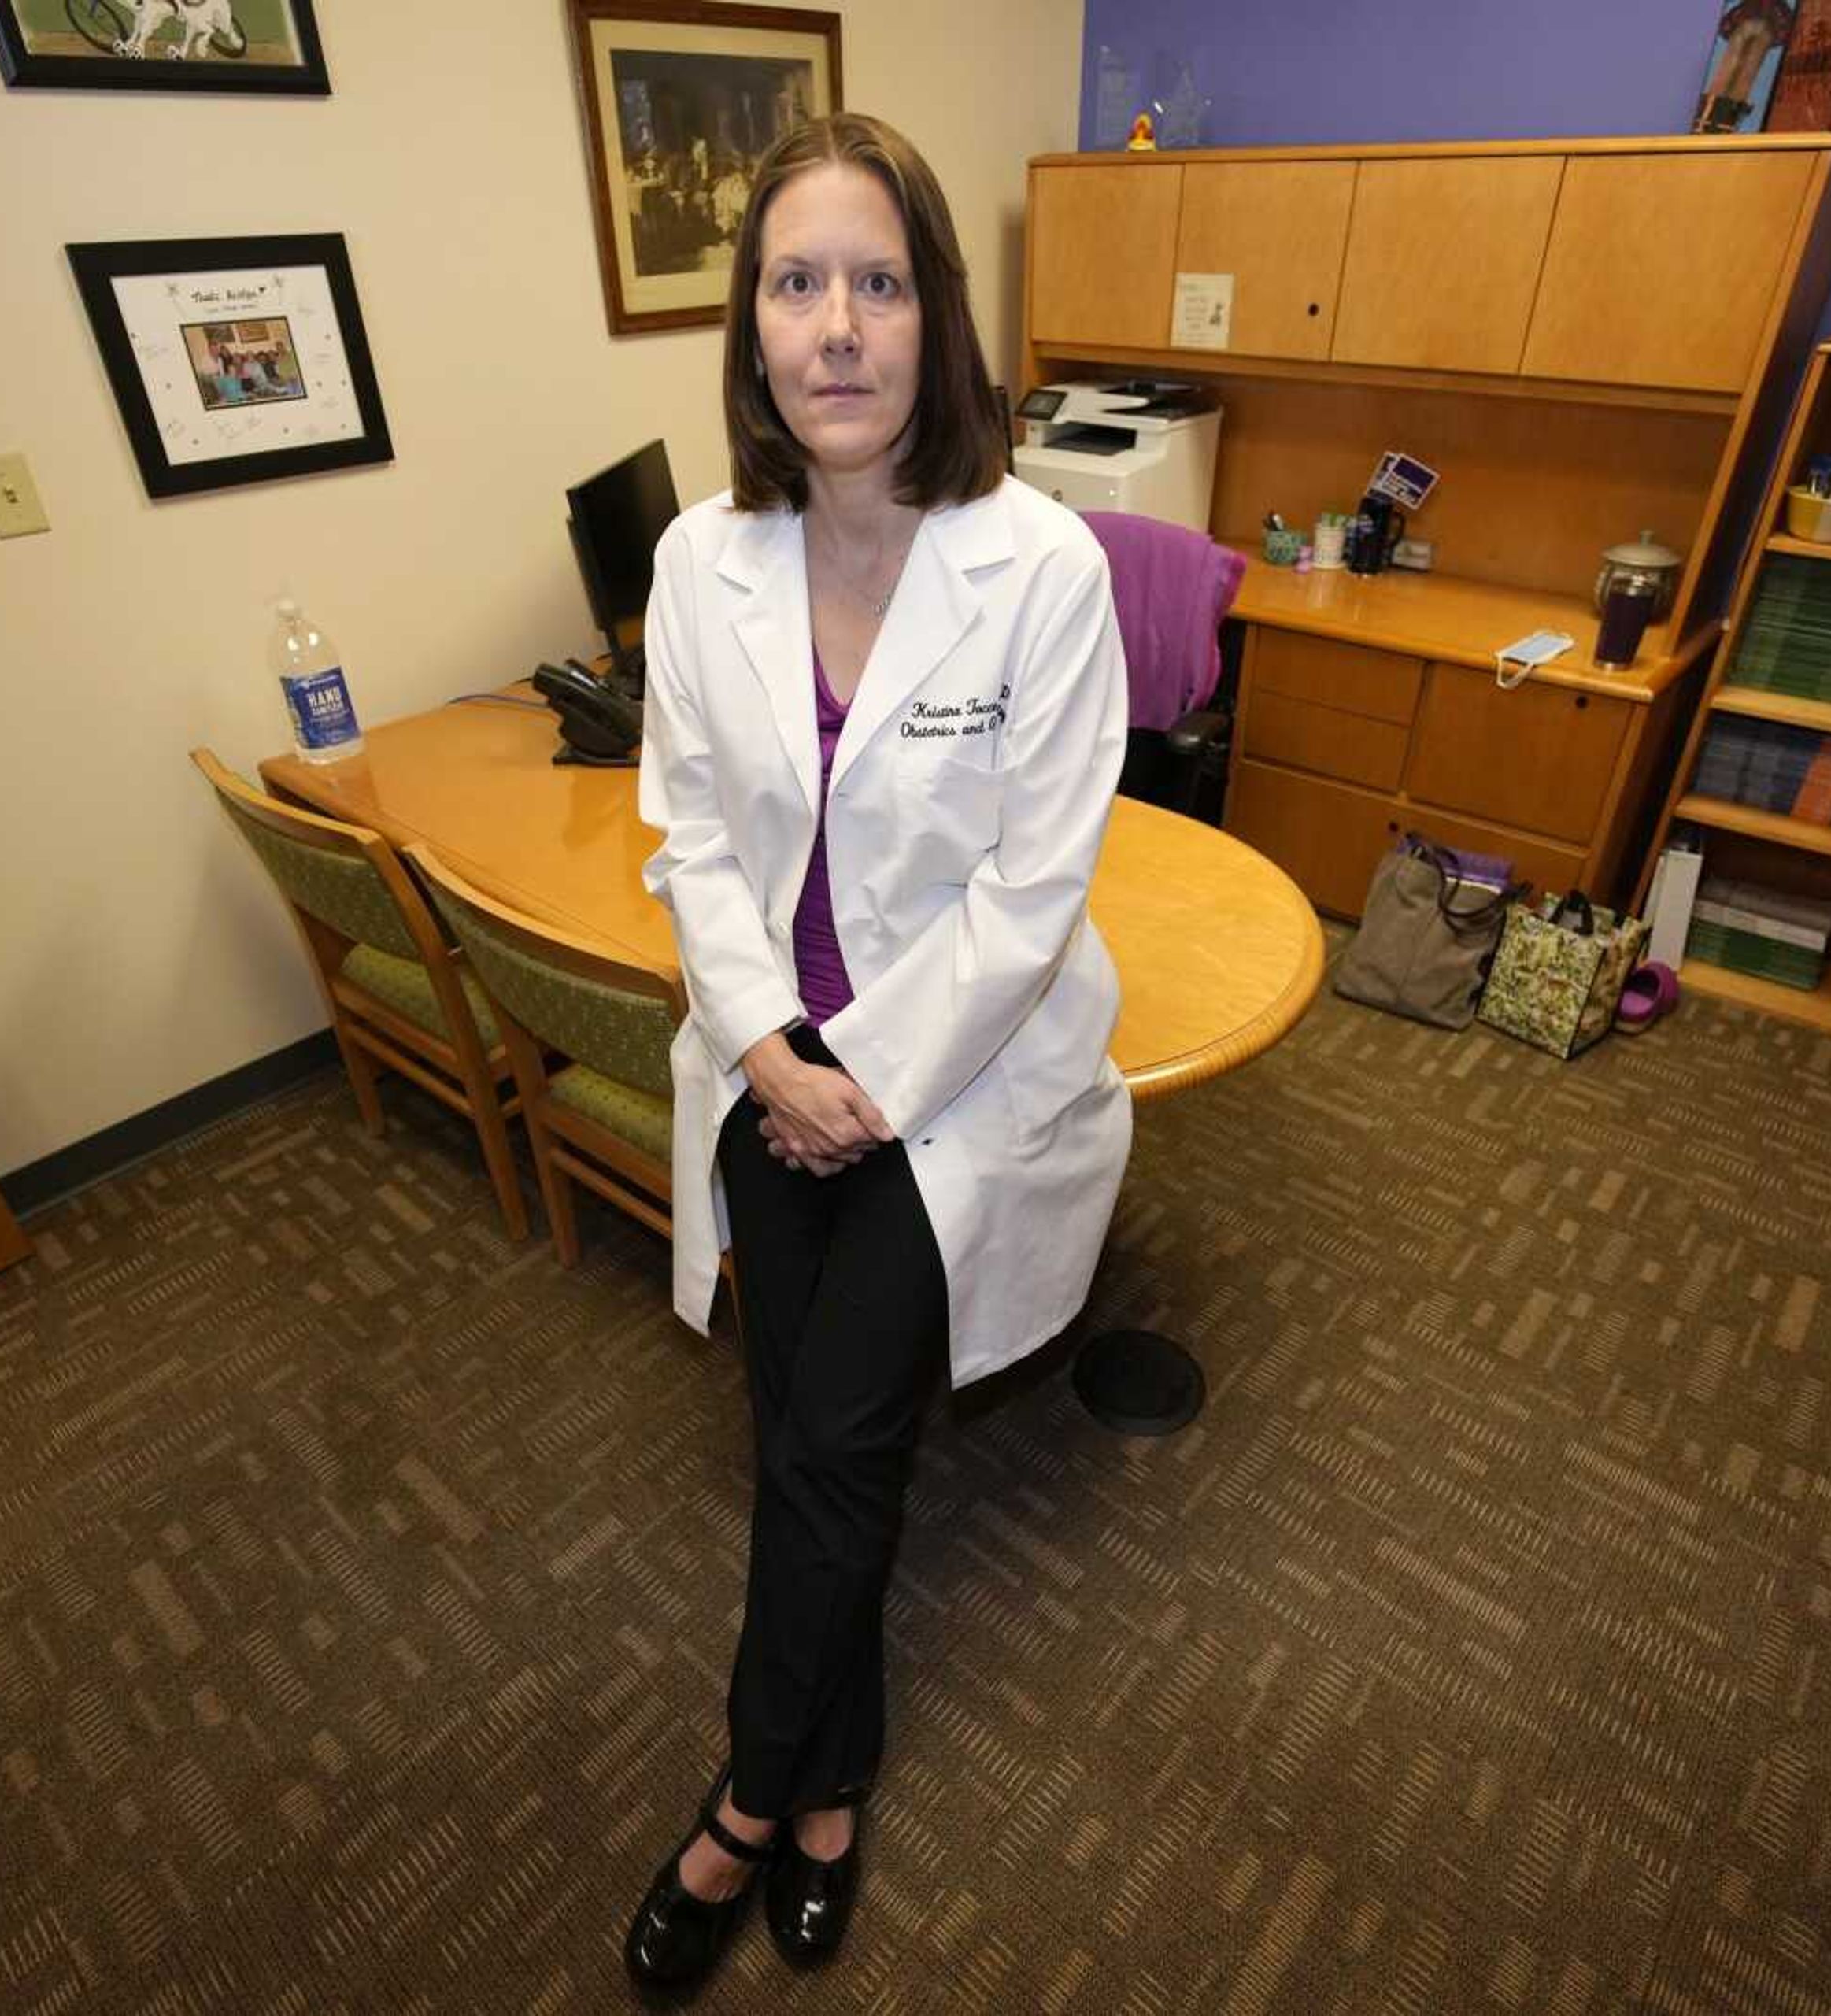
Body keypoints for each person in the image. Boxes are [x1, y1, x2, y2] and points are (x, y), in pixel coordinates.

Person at [622, 111, 1130, 1996]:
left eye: (881, 283)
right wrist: (766, 1047)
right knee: (801, 1439)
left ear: (939, 320)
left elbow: (1034, 891)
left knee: (832, 1442)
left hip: (959, 1087)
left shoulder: (1043, 569)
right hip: (770, 1063)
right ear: (753, 329)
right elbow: (683, 830)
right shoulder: (700, 558)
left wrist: (869, 1092)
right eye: (796, 283)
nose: (838, 326)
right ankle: (837, 1786)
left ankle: (746, 1807)